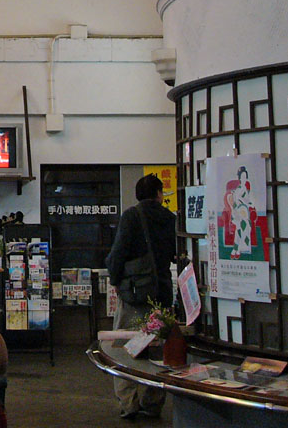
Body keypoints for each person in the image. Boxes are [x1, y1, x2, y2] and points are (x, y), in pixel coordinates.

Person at [105, 174, 177, 419]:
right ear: (158, 194)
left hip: (134, 295)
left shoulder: (131, 216)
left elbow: (118, 253)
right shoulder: (170, 219)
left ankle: (129, 403)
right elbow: (174, 253)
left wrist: (116, 281)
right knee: (156, 349)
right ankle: (152, 402)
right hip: (161, 295)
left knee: (124, 347)